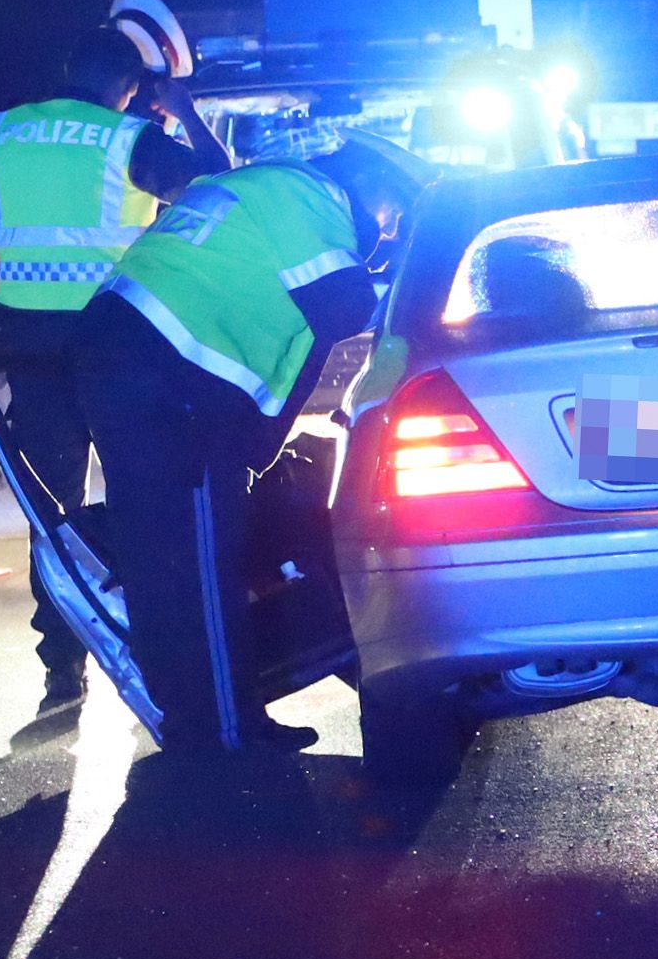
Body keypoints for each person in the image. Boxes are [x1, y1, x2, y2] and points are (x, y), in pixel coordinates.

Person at [70, 131, 423, 755]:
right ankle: (226, 732)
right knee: (201, 564)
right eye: (392, 212)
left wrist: (261, 437)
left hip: (132, 358)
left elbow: (306, 335)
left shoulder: (268, 183)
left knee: (164, 559)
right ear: (366, 183)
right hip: (172, 374)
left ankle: (193, 722)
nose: (387, 230)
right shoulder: (311, 198)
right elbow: (343, 306)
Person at [0, 10, 232, 709]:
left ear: (66, 73)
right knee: (139, 495)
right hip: (114, 346)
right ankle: (150, 641)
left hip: (28, 345)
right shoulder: (129, 138)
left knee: (51, 505)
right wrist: (185, 112)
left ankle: (62, 658)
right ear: (129, 86)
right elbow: (215, 185)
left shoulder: (1, 130)